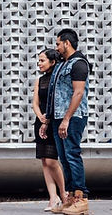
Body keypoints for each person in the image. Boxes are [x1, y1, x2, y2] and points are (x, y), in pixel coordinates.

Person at [40, 28, 91, 215]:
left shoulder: (79, 64)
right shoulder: (62, 64)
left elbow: (78, 93)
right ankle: (69, 199)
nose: (56, 47)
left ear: (67, 43)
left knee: (72, 155)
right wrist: (48, 120)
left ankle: (80, 198)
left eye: (58, 43)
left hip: (73, 117)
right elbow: (54, 94)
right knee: (64, 157)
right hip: (58, 118)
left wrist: (67, 119)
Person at [33, 48, 66, 212]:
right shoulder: (39, 80)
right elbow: (35, 103)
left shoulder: (60, 79)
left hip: (54, 122)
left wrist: (48, 119)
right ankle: (53, 198)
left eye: (42, 60)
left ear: (52, 62)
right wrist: (41, 118)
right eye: (38, 60)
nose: (39, 64)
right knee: (45, 161)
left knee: (52, 160)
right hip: (40, 122)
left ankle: (64, 194)